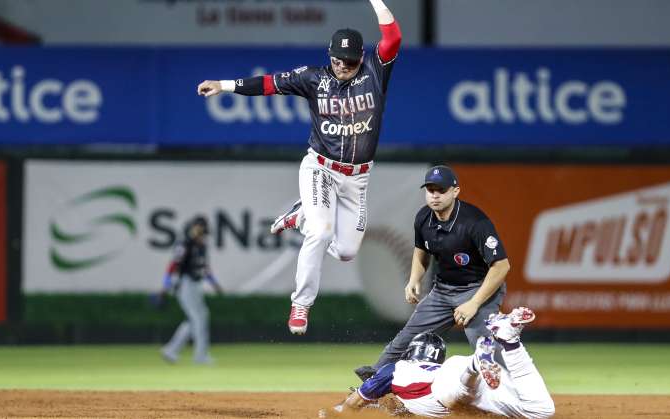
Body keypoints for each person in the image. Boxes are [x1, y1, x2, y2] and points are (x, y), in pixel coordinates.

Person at [197, 0, 402, 335]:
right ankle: (301, 304)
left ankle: (301, 214)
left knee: (347, 251)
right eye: (338, 59)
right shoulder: (313, 79)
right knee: (321, 232)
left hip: (358, 178)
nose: (343, 66)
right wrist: (224, 85)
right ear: (330, 54)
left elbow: (392, 38)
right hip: (321, 168)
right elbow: (269, 84)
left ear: (361, 58)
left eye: (350, 61)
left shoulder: (375, 71)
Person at [355, 165, 511, 381]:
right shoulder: (423, 218)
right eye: (430, 190)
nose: (435, 195)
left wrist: (474, 303)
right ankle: (371, 386)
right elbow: (421, 251)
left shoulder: (475, 221)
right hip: (443, 292)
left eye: (441, 190)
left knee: (484, 347)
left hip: (478, 290)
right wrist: (414, 279)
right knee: (406, 340)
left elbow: (502, 266)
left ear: (455, 191)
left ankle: (510, 393)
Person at [331, 307, 555, 418]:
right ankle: (510, 341)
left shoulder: (396, 368)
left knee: (457, 394)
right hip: (465, 375)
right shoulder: (437, 366)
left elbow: (355, 403)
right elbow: (402, 409)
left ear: (411, 353)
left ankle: (478, 361)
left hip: (449, 384)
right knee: (541, 411)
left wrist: (339, 411)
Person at [159, 216, 223, 365]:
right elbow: (173, 265)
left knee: (194, 320)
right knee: (199, 318)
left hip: (196, 285)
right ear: (193, 227)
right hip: (185, 284)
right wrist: (165, 285)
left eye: (202, 227)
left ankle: (171, 350)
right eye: (198, 226)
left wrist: (213, 283)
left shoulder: (202, 246)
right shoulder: (185, 244)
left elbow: (204, 268)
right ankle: (200, 355)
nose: (200, 229)